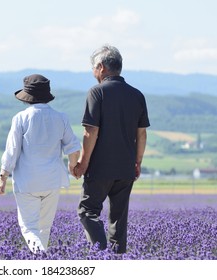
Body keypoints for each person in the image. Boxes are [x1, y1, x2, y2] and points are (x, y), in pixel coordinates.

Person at [74, 45, 150, 253]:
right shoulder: (137, 95)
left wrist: (83, 162)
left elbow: (91, 131)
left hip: (100, 167)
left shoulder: (96, 92)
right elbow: (141, 134)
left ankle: (102, 255)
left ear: (101, 67)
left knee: (87, 211)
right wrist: (137, 162)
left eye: (93, 68)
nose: (93, 73)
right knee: (118, 218)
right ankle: (117, 262)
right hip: (126, 167)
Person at [0, 74, 81, 253]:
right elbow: (73, 147)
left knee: (29, 228)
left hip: (27, 182)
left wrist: (2, 178)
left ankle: (42, 258)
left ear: (27, 98)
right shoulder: (61, 118)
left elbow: (12, 151)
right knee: (44, 228)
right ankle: (42, 264)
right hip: (52, 181)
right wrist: (73, 167)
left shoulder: (20, 118)